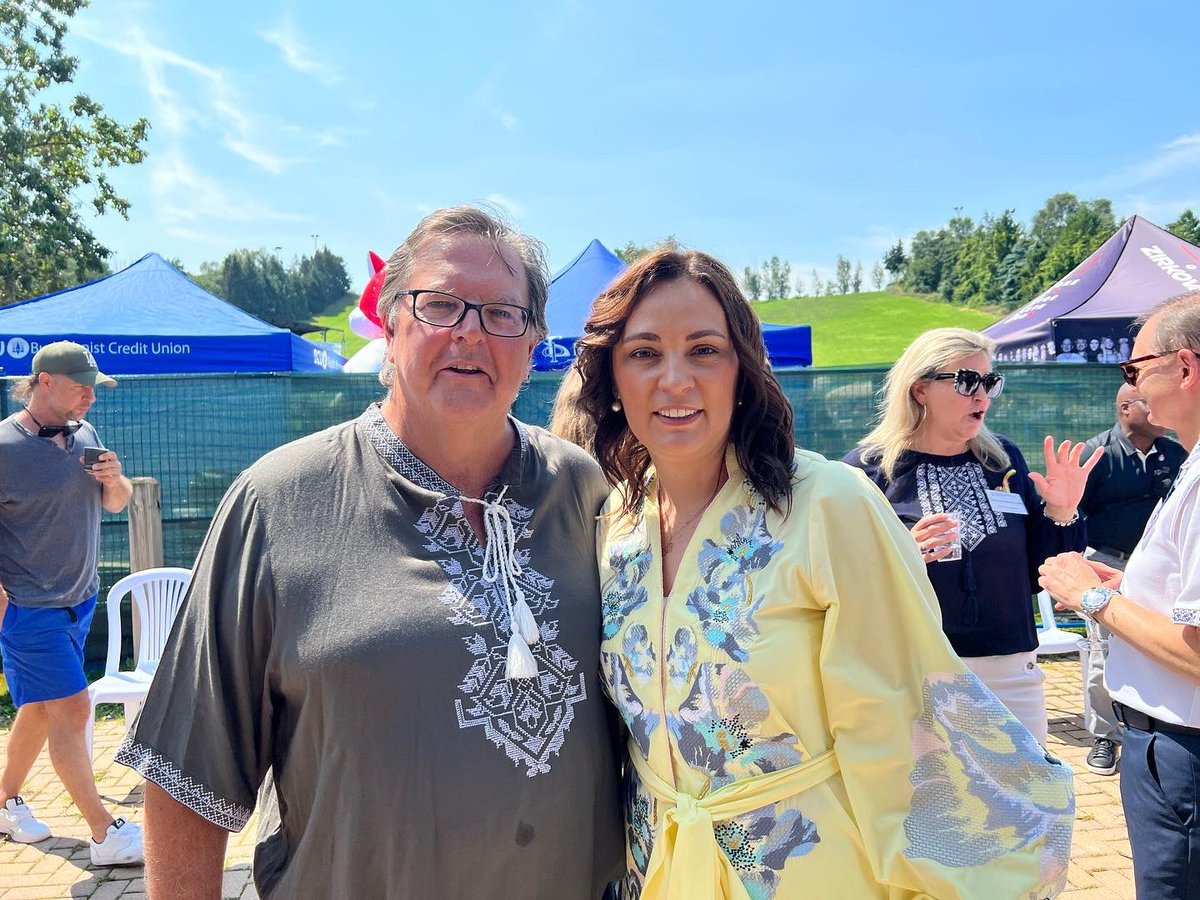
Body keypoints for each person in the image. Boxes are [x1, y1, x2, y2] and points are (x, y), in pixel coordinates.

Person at [116, 206, 623, 899]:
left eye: (503, 313)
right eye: (441, 305)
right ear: (391, 323)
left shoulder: (583, 491)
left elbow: (685, 706)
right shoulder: (279, 501)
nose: (470, 331)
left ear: (534, 341)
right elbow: (185, 779)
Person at [573, 250, 1074, 899]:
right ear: (613, 376)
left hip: (812, 869)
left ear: (743, 370)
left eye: (704, 351)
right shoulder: (615, 520)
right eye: (644, 353)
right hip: (662, 871)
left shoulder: (829, 503)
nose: (674, 379)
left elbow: (901, 718)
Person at [844, 328, 1100, 746]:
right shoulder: (867, 470)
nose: (981, 395)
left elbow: (1047, 571)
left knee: (1027, 801)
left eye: (989, 382)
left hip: (1010, 668)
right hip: (912, 671)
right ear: (920, 389)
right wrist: (901, 554)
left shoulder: (1003, 460)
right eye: (966, 381)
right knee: (929, 805)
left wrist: (1062, 511)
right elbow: (836, 576)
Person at [1040, 289, 1200, 899]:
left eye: (1134, 368)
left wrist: (1095, 599)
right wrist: (1123, 588)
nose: (1129, 383)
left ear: (1183, 369)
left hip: (1181, 753)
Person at [0, 341, 142, 865]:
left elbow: (117, 501)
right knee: (75, 708)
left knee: (39, 709)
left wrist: (115, 480)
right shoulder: (3, 448)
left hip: (80, 601)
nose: (90, 396)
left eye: (93, 386)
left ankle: (3, 802)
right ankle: (105, 832)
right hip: (29, 609)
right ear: (43, 383)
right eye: (80, 385)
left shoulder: (84, 434)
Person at [1076, 383, 1187, 776]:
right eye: (1145, 399)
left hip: (1158, 570)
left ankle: (1157, 728)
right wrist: (1082, 567)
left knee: (1161, 641)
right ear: (1126, 408)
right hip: (1104, 562)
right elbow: (1073, 514)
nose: (1155, 403)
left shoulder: (1177, 455)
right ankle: (1105, 736)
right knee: (1102, 650)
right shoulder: (1097, 453)